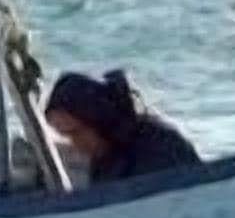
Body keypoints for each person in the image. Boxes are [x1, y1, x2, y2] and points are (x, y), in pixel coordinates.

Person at [45, 69, 202, 186]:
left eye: (76, 133)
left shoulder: (160, 147)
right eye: (66, 136)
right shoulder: (105, 159)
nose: (76, 144)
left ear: (96, 119)